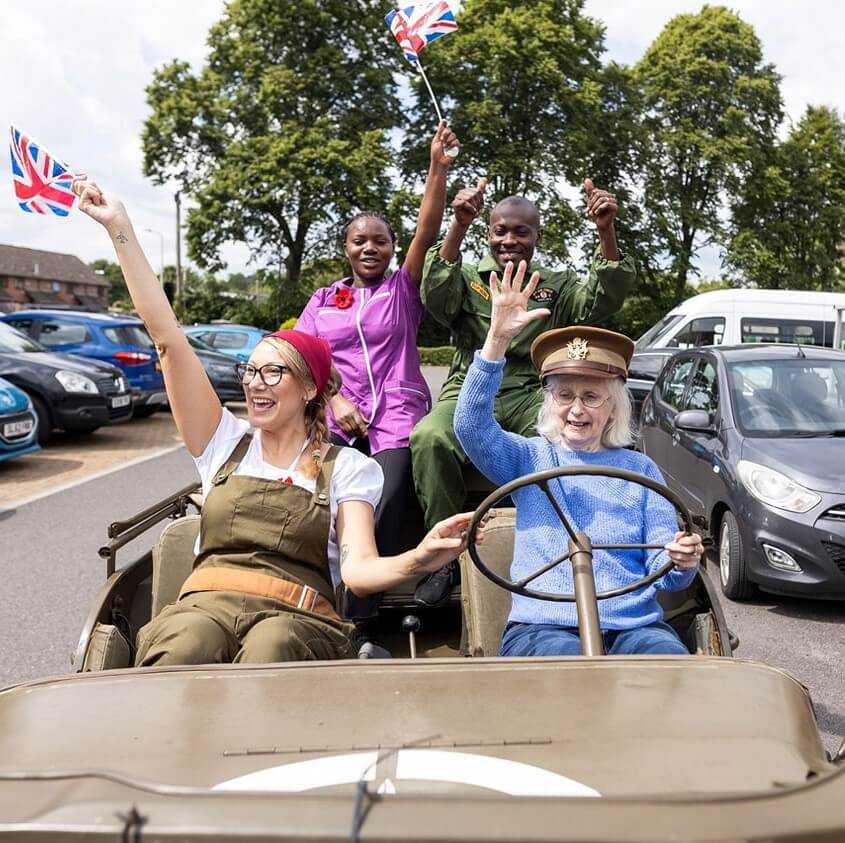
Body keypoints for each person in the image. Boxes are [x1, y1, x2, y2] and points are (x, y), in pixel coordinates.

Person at [74, 177, 478, 665]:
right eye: (250, 371)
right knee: (186, 641)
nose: (255, 384)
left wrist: (419, 557)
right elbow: (168, 339)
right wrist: (118, 228)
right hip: (203, 604)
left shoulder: (346, 469)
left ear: (308, 388)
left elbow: (358, 570)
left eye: (273, 372)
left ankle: (362, 629)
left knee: (274, 646)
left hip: (294, 616)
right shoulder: (223, 444)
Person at [454, 260, 704, 656]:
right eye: (565, 395)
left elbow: (668, 576)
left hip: (632, 627)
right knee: (569, 676)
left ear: (614, 407)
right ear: (549, 401)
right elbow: (470, 426)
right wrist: (496, 340)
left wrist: (681, 559)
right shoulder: (530, 457)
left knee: (670, 666)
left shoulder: (641, 471)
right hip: (541, 626)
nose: (576, 409)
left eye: (591, 397)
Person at [411, 177, 638, 607]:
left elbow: (601, 302)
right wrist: (458, 225)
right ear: (488, 233)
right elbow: (436, 300)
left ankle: (555, 545)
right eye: (500, 230)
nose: (509, 240)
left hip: (531, 389)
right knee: (430, 437)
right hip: (471, 382)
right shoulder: (468, 277)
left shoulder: (556, 284)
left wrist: (606, 230)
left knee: (561, 440)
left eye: (521, 231)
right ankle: (444, 557)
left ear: (538, 237)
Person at [296, 120, 460, 564]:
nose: (370, 248)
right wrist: (334, 400)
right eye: (359, 241)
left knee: (384, 500)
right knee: (313, 494)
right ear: (346, 248)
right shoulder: (324, 299)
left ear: (391, 247)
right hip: (335, 419)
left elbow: (427, 231)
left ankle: (366, 597)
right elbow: (300, 356)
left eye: (380, 241)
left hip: (396, 416)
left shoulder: (402, 289)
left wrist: (437, 167)